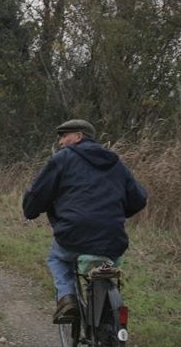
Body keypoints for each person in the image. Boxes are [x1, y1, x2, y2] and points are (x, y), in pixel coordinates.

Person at [21, 119, 147, 324]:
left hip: (73, 235)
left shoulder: (63, 159)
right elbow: (139, 199)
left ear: (79, 136)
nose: (61, 142)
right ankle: (107, 324)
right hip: (112, 238)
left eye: (64, 136)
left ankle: (67, 298)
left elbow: (38, 193)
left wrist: (30, 211)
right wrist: (114, 216)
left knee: (58, 258)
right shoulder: (116, 162)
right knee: (106, 267)